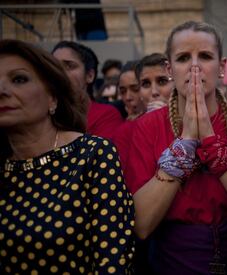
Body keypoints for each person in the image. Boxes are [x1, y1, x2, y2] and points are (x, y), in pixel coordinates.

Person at [114, 21, 227, 274]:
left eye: (205, 56)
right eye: (184, 57)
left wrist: (209, 139)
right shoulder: (148, 126)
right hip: (171, 260)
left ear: (221, 67)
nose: (195, 66)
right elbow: (141, 224)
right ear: (170, 68)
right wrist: (186, 141)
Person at [0, 39, 135, 274]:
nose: (1, 90)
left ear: (52, 98)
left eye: (19, 79)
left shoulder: (92, 155)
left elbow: (113, 263)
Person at [52, 41, 123, 139]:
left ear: (90, 75)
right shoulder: (41, 115)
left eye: (69, 66)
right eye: (54, 66)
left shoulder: (106, 115)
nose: (59, 72)